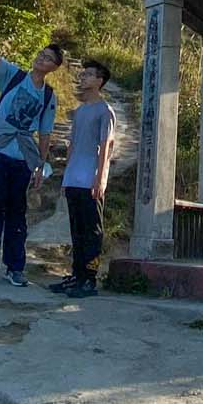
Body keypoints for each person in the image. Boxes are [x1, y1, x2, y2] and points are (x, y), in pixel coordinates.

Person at [0, 13, 61, 287]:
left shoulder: (48, 96)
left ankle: (15, 268)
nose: (41, 59)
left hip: (23, 156)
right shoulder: (13, 75)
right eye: (41, 54)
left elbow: (44, 133)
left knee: (17, 214)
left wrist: (41, 166)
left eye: (47, 59)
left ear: (53, 68)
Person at [49, 58, 116, 297]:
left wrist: (100, 178)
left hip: (90, 179)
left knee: (92, 231)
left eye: (89, 74)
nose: (84, 77)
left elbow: (106, 146)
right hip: (74, 178)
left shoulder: (104, 111)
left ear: (99, 81)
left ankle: (89, 278)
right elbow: (72, 145)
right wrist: (66, 175)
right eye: (84, 74)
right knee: (76, 230)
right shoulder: (80, 111)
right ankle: (76, 275)